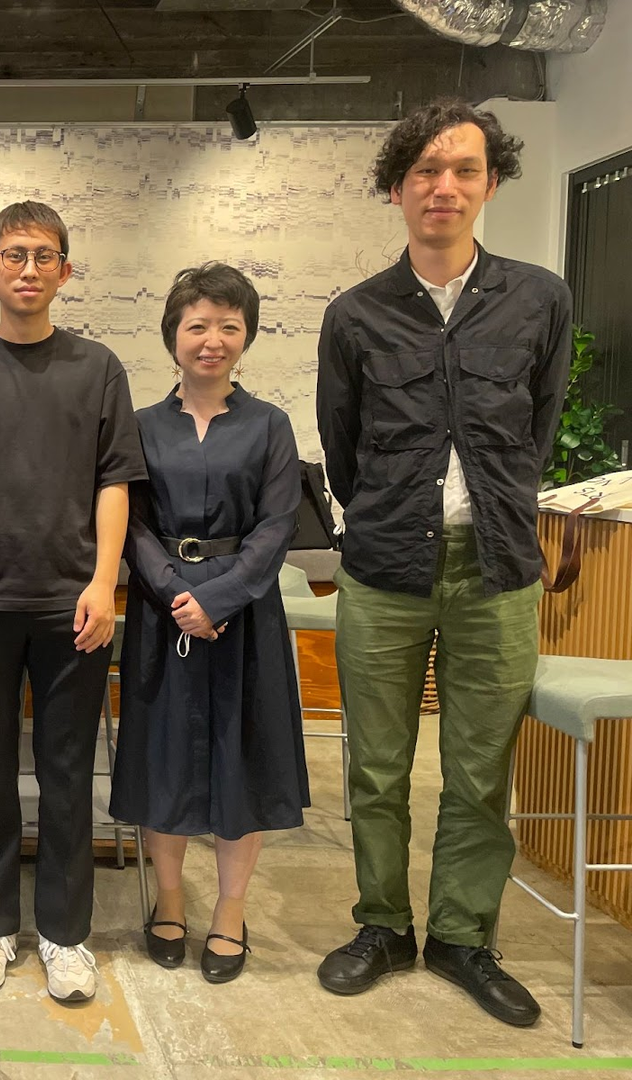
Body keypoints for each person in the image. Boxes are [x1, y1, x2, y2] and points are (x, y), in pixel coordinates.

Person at [315, 100, 572, 1027]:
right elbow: (342, 451)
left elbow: (539, 431)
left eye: (463, 169)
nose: (444, 186)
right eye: (425, 170)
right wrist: (394, 516)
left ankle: (463, 937)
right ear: (398, 188)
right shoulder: (355, 315)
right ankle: (383, 925)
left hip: (496, 568)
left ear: (490, 183)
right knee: (377, 769)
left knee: (480, 772)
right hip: (383, 568)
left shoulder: (540, 300)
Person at [0, 200, 146, 1003]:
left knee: (68, 771)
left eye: (45, 256)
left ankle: (66, 936)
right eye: (14, 255)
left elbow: (115, 482)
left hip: (73, 604)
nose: (29, 269)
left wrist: (105, 581)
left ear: (65, 271)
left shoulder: (98, 368)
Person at [109, 263, 308, 984]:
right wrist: (173, 594)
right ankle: (168, 899)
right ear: (174, 336)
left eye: (228, 325)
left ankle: (230, 909)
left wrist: (218, 599)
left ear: (245, 336)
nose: (212, 340)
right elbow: (129, 523)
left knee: (239, 759)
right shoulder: (139, 427)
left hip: (244, 615)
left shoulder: (269, 425)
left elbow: (277, 525)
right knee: (162, 759)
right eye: (198, 325)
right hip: (163, 614)